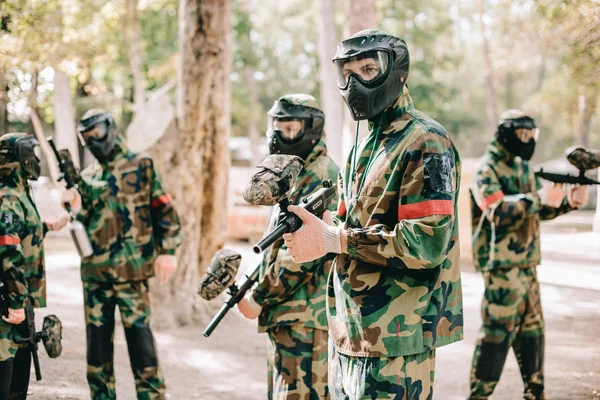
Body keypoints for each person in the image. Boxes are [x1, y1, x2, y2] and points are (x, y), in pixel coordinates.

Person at [282, 30, 464, 399]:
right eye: (346, 73)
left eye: (367, 69)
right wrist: (318, 231)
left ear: (396, 71)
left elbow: (427, 241)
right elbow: (353, 226)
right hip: (351, 330)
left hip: (397, 338)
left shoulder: (425, 141)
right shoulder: (365, 144)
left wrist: (337, 239)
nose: (354, 83)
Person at [468, 109, 589, 400]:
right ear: (506, 133)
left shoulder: (523, 168)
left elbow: (538, 210)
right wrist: (538, 198)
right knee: (496, 338)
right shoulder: (487, 169)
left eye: (530, 134)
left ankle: (535, 393)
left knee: (534, 334)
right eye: (521, 134)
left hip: (527, 266)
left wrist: (568, 204)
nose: (526, 140)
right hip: (501, 269)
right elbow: (496, 210)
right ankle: (478, 396)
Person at [62, 110, 183, 400]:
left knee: (141, 342)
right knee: (98, 347)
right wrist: (70, 206)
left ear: (111, 128)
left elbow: (165, 210)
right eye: (86, 137)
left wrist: (168, 252)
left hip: (133, 272)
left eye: (97, 133)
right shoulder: (88, 176)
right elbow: (83, 221)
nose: (93, 140)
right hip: (95, 275)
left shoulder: (141, 164)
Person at [237, 94, 340, 399]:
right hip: (291, 313)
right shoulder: (294, 172)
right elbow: (276, 241)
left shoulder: (320, 175)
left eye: (291, 127)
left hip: (304, 315)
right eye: (277, 126)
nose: (280, 135)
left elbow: (300, 255)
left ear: (311, 128)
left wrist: (259, 296)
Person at [0, 132, 67, 399]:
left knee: (19, 370)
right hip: (9, 301)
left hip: (18, 298)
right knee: (6, 366)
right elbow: (7, 249)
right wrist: (16, 302)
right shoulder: (8, 197)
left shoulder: (18, 192)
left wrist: (45, 227)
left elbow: (18, 233)